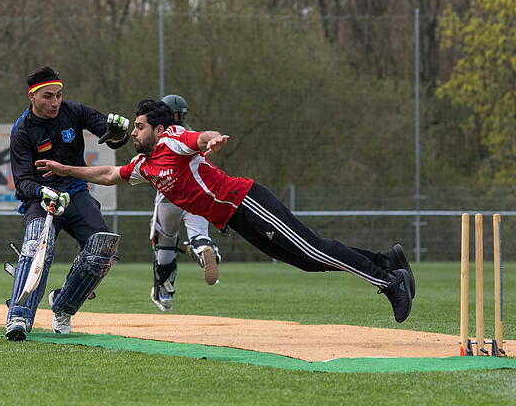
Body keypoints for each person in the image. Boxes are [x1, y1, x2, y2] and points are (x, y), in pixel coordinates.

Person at [36, 99, 416, 323]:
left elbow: (197, 137)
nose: (134, 133)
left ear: (157, 127)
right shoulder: (145, 165)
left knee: (314, 249)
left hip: (246, 201)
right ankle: (388, 262)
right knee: (307, 261)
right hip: (235, 218)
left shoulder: (171, 138)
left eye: (139, 127)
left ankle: (389, 282)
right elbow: (105, 173)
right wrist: (66, 169)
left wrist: (211, 139)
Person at [5, 66, 130, 341]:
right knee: (36, 245)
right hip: (41, 199)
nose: (55, 102)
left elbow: (111, 137)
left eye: (59, 95)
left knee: (102, 247)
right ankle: (18, 316)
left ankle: (62, 305)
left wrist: (119, 133)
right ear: (32, 97)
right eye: (48, 96)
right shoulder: (22, 131)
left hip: (75, 192)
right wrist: (42, 192)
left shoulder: (74, 111)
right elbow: (23, 182)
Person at [148, 94, 220, 311]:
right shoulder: (188, 132)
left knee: (166, 243)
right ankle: (204, 249)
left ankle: (164, 290)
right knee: (199, 235)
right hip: (196, 195)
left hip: (168, 196)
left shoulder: (157, 135)